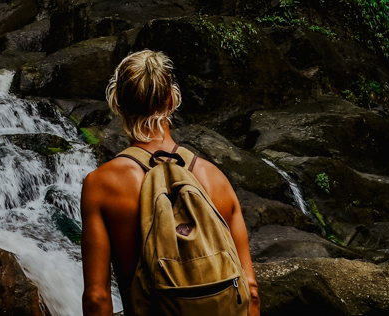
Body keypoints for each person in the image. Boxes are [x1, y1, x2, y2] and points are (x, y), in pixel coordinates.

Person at [80, 49, 260, 316]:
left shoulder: (101, 184)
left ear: (117, 101)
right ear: (172, 99)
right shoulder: (214, 178)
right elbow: (251, 291)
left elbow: (97, 299)